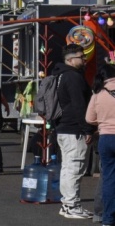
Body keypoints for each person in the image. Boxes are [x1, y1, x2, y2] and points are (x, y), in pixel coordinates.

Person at [53, 43, 95, 219]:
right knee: (75, 168)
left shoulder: (61, 75)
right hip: (74, 130)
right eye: (81, 56)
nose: (84, 59)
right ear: (70, 60)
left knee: (68, 167)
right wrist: (87, 129)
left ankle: (68, 204)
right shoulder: (73, 77)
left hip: (64, 127)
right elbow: (79, 106)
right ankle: (71, 205)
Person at [86, 64, 115, 225]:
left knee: (109, 178)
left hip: (105, 138)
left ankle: (108, 218)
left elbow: (89, 119)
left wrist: (103, 121)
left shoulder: (98, 94)